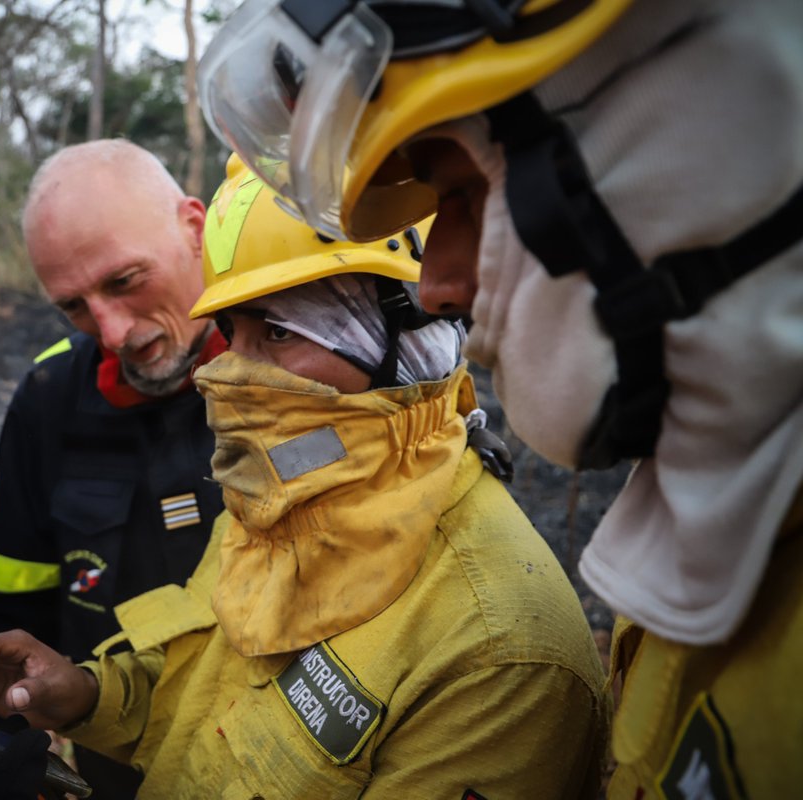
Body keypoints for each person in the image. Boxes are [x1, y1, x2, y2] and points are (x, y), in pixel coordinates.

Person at [194, 1, 803, 797]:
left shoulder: (504, 638)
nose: (440, 286)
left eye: (471, 195)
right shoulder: (713, 537)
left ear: (685, 160)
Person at [0, 160, 611, 799]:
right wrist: (86, 696)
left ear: (405, 337)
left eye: (277, 332)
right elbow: (203, 687)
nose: (227, 374)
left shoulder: (500, 657)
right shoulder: (283, 497)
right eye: (231, 333)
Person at [0, 139, 227, 797]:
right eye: (74, 306)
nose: (110, 332)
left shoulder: (301, 368)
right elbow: (6, 621)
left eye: (124, 281)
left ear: (194, 228)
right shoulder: (50, 399)